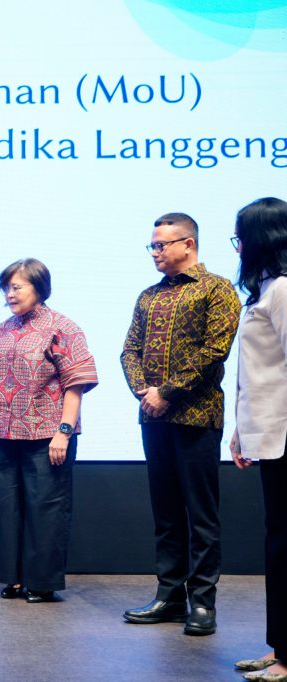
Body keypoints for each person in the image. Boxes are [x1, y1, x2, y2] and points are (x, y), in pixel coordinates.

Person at [120, 212, 241, 636]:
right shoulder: (148, 296)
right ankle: (169, 596)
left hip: (196, 416)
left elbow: (214, 350)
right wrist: (144, 392)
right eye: (152, 245)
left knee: (200, 516)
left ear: (187, 244)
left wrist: (166, 392)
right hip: (153, 417)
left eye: (161, 245)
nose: (155, 252)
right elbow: (129, 350)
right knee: (166, 512)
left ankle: (202, 603)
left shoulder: (217, 289)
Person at [0, 259, 98, 604]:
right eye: (6, 288)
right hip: (5, 434)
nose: (10, 294)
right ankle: (12, 578)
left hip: (47, 435)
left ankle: (41, 582)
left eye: (17, 287)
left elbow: (76, 383)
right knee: (7, 508)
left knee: (46, 508)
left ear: (39, 288)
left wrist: (64, 432)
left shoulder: (62, 328)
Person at [228, 197, 287, 681]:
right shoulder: (265, 289)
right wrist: (239, 430)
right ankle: (280, 648)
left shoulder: (284, 289)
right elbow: (255, 372)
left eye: (240, 237)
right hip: (269, 435)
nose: (238, 247)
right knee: (278, 544)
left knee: (285, 546)